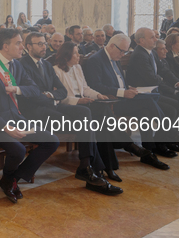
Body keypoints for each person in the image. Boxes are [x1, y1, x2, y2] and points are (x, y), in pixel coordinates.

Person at [20, 34, 122, 193]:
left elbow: (60, 90)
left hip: (52, 106)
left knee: (84, 113)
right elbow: (30, 95)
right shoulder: (22, 65)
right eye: (39, 44)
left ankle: (86, 165)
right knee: (86, 124)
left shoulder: (46, 65)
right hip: (35, 111)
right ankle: (94, 169)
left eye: (43, 43)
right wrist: (49, 96)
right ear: (28, 47)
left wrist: (50, 95)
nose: (43, 46)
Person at [0, 29, 59, 203]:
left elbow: (35, 89)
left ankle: (11, 179)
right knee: (19, 149)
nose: (22, 47)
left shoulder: (16, 65)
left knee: (52, 141)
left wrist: (17, 89)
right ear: (5, 46)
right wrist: (5, 127)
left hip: (16, 118)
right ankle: (9, 180)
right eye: (18, 43)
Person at [83, 34, 171, 170]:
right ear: (112, 45)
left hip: (122, 99)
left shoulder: (115, 56)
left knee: (145, 112)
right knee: (148, 102)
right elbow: (96, 86)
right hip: (111, 103)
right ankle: (166, 132)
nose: (123, 55)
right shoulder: (95, 60)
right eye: (122, 51)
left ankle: (148, 153)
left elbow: (118, 80)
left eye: (125, 51)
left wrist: (127, 88)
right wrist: (122, 92)